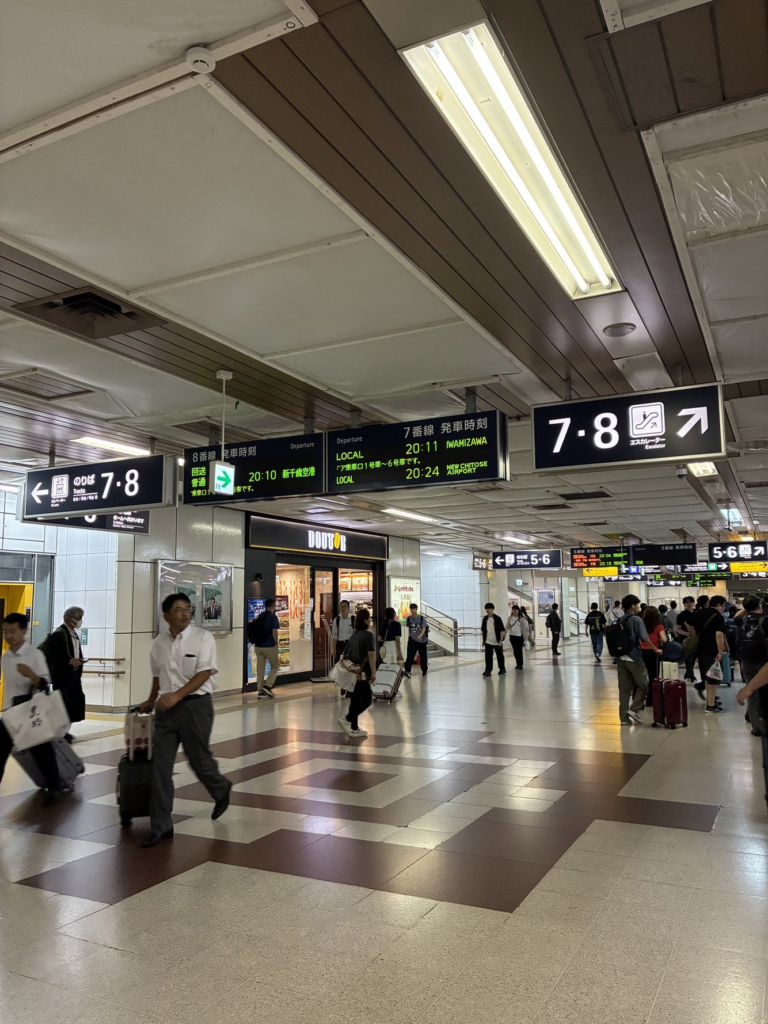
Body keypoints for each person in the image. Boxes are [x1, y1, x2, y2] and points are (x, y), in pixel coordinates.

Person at [139, 593, 232, 848]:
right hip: (166, 711)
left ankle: (221, 788)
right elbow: (158, 676)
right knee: (160, 768)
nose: (184, 613)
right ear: (166, 615)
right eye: (178, 609)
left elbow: (204, 673)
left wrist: (176, 696)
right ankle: (161, 826)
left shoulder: (203, 638)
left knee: (199, 760)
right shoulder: (159, 643)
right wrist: (151, 700)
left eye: (187, 608)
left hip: (196, 707)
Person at [0, 613, 62, 804]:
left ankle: (54, 788)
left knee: (42, 751)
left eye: (13, 631)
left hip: (30, 711)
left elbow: (45, 685)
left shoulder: (35, 655)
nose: (8, 636)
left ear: (24, 630)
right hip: (10, 713)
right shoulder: (5, 657)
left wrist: (32, 675)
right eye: (5, 632)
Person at [41, 606, 86, 743]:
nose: (80, 621)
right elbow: (51, 655)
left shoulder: (73, 634)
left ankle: (65, 731)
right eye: (78, 618)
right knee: (63, 706)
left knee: (73, 704)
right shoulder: (59, 634)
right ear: (69, 619)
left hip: (73, 677)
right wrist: (68, 661)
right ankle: (61, 733)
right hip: (62, 678)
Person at [339, 609, 376, 739]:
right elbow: (371, 654)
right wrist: (373, 672)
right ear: (365, 620)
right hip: (362, 672)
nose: (370, 621)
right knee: (367, 700)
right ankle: (347, 719)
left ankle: (354, 728)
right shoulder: (368, 635)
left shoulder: (354, 635)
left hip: (352, 672)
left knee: (354, 699)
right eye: (369, 618)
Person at [614, 594, 650, 726]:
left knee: (624, 690)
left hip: (620, 657)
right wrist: (655, 649)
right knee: (644, 684)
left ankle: (624, 719)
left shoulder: (620, 620)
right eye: (638, 605)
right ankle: (634, 709)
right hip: (634, 657)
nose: (639, 608)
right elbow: (644, 638)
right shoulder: (636, 619)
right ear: (633, 606)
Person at [692, 594, 727, 713]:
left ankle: (710, 702)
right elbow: (719, 634)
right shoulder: (718, 616)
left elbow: (687, 623)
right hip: (712, 651)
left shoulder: (700, 613)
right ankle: (711, 705)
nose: (723, 609)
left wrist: (691, 634)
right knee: (713, 678)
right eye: (723, 606)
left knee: (707, 677)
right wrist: (720, 651)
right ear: (719, 605)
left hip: (700, 650)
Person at [735, 596, 766, 736]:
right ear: (760, 605)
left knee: (751, 691)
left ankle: (756, 726)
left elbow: (736, 616)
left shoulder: (741, 620)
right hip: (764, 662)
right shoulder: (765, 621)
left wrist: (746, 609)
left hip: (746, 661)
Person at [246, 598, 280, 699]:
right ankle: (267, 686)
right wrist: (276, 643)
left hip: (258, 646)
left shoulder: (260, 616)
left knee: (260, 669)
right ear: (272, 606)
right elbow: (274, 632)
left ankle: (260, 691)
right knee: (275, 665)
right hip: (269, 646)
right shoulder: (273, 617)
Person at [640, 606, 667, 695]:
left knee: (641, 675)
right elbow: (664, 639)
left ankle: (640, 696)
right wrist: (658, 639)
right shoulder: (659, 626)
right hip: (654, 652)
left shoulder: (641, 625)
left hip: (641, 651)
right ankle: (651, 697)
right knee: (653, 676)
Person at [675, 596, 698, 683]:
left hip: (695, 639)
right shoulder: (681, 615)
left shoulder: (696, 613)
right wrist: (686, 633)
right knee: (688, 658)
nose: (690, 604)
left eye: (691, 602)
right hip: (686, 640)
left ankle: (688, 675)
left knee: (693, 657)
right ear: (684, 604)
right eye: (687, 602)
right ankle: (691, 676)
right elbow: (677, 628)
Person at [403, 603, 428, 678]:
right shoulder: (409, 618)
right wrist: (410, 636)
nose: (412, 610)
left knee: (423, 656)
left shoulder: (421, 618)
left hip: (422, 641)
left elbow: (424, 628)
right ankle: (407, 671)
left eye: (414, 609)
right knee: (410, 655)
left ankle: (424, 670)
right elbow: (409, 628)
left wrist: (420, 635)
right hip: (412, 640)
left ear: (416, 609)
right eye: (411, 609)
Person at [482, 602, 506, 676]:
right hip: (488, 641)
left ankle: (502, 668)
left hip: (497, 641)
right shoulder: (485, 619)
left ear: (492, 609)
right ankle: (488, 670)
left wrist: (501, 640)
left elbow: (502, 630)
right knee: (488, 656)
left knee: (500, 656)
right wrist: (483, 640)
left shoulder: (498, 618)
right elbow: (483, 630)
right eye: (486, 609)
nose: (487, 610)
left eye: (489, 608)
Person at [506, 605, 531, 670]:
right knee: (515, 650)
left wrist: (526, 639)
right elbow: (507, 626)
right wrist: (504, 632)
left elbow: (525, 628)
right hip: (512, 636)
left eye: (516, 609)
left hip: (519, 636)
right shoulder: (510, 617)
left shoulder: (522, 618)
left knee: (519, 650)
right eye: (513, 609)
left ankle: (520, 664)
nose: (514, 611)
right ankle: (518, 663)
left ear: (518, 610)